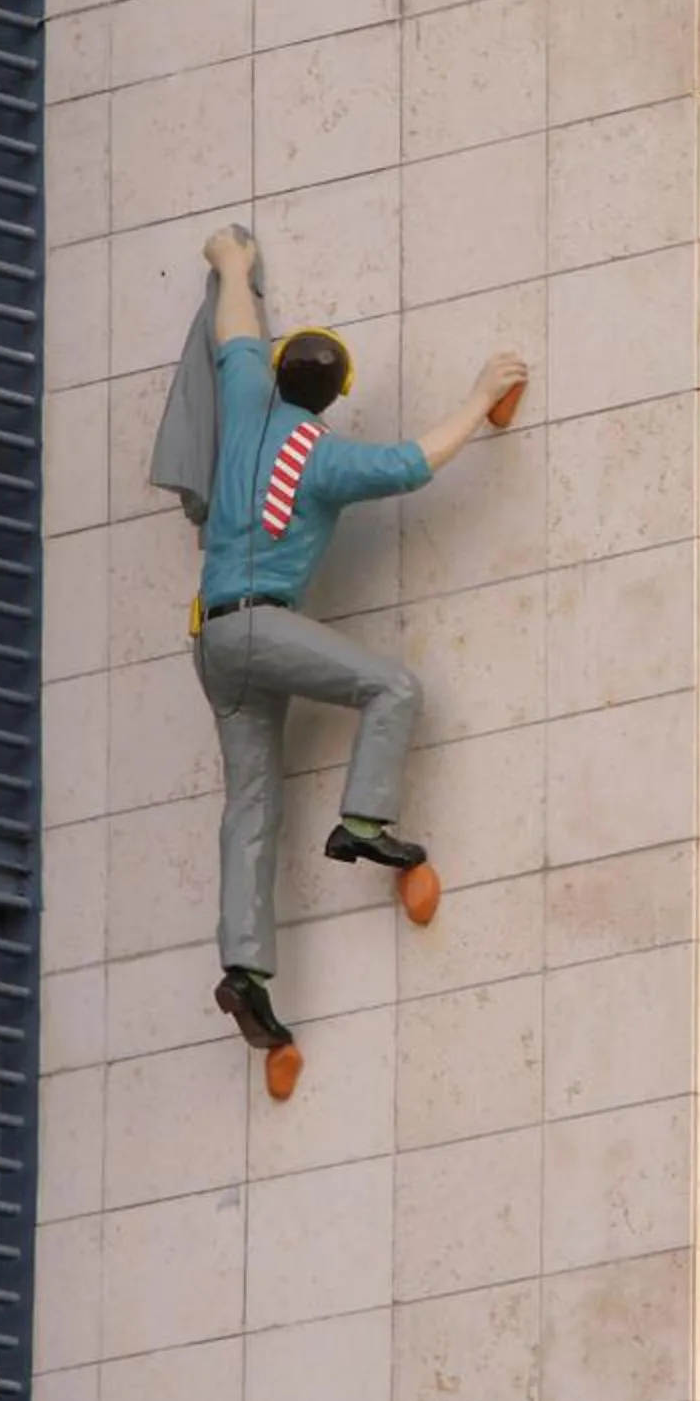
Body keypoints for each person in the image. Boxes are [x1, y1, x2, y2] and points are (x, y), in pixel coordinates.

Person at [192, 227, 527, 1054]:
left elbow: (233, 328)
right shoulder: (324, 458)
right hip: (264, 620)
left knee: (252, 804)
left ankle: (247, 970)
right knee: (393, 688)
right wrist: (481, 397)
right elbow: (417, 462)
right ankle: (365, 821)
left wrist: (232, 266)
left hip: (211, 638)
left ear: (277, 372)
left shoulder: (244, 407)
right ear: (337, 393)